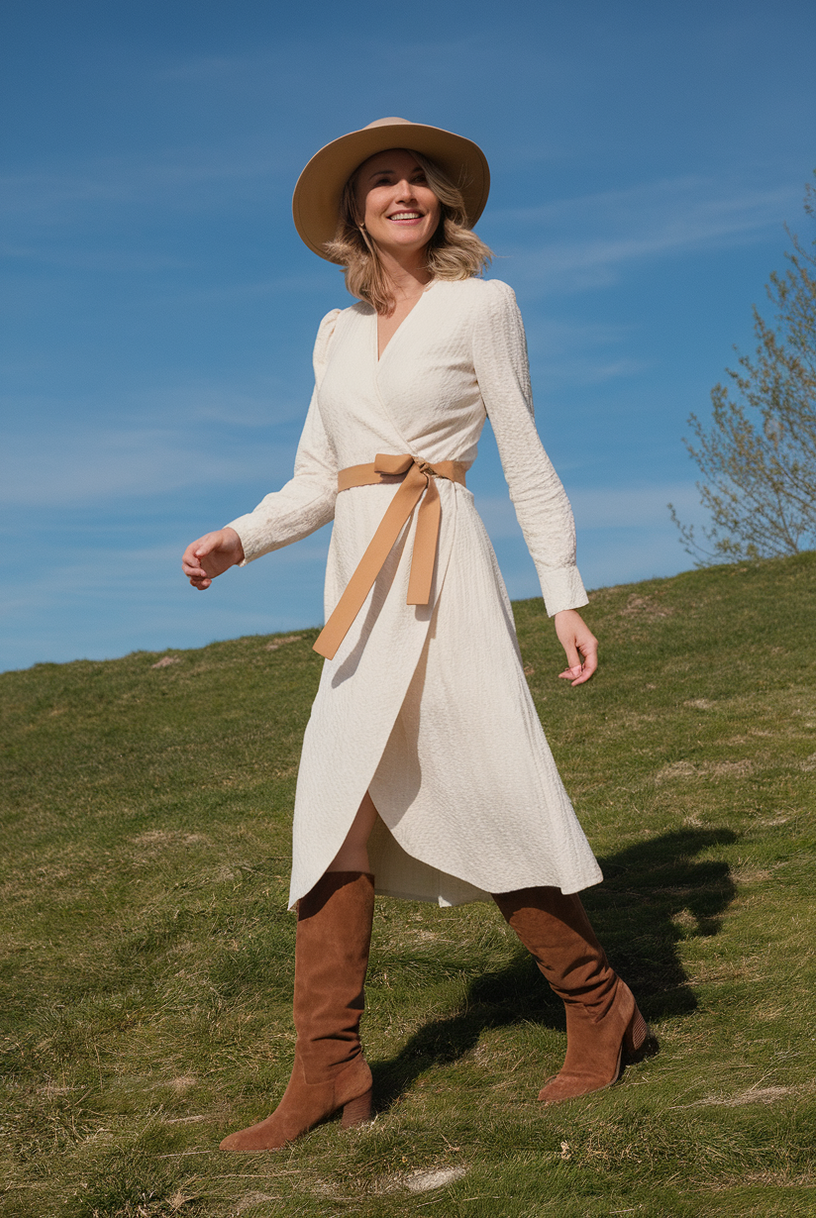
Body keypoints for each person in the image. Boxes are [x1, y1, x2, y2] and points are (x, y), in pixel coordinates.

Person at [182, 117, 657, 1153]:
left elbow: (524, 453)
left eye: (416, 179)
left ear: (441, 200)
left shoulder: (481, 304)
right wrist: (239, 538)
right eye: (380, 182)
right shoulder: (334, 333)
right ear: (353, 213)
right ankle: (328, 1069)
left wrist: (562, 592)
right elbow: (317, 475)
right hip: (356, 589)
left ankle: (595, 1003)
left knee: (481, 788)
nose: (401, 192)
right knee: (330, 817)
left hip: (443, 577)